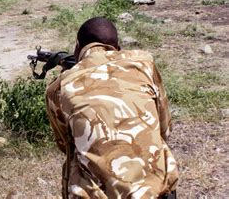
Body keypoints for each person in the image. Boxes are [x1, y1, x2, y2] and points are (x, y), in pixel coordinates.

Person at [46, 17, 178, 198]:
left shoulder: (59, 87)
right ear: (118, 47)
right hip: (156, 191)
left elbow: (66, 145)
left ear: (77, 46)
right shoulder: (144, 63)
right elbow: (164, 130)